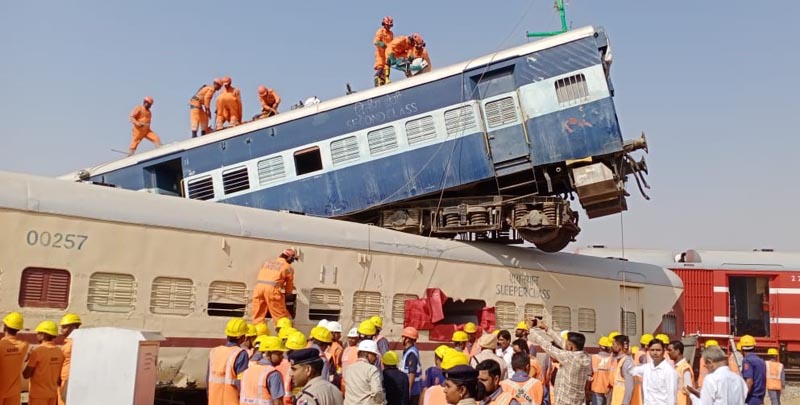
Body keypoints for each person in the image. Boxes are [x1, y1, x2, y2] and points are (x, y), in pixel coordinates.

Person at [527, 321, 591, 405]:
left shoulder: (570, 358)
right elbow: (562, 343)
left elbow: (547, 346)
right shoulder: (585, 357)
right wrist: (547, 329)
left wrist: (531, 330)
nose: (564, 343)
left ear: (570, 347)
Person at [208, 318, 250, 405]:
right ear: (242, 337)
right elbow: (241, 383)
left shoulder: (214, 351)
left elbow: (208, 379)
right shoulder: (241, 353)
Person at [24, 321, 65, 405]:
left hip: (38, 396)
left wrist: (28, 358)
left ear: (43, 335)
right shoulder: (59, 352)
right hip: (52, 394)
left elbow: (26, 374)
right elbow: (59, 379)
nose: (37, 334)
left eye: (38, 332)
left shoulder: (38, 351)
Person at [253, 249, 297, 324]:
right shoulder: (288, 267)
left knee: (258, 314)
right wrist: (288, 294)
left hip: (258, 289)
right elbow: (289, 284)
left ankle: (258, 331)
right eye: (293, 260)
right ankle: (284, 332)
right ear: (289, 257)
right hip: (272, 290)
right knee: (280, 315)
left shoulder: (267, 263)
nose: (292, 262)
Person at [240, 336, 286, 405]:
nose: (282, 357)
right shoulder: (273, 374)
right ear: (268, 353)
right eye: (279, 354)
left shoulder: (247, 371)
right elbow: (278, 402)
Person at [630, 339, 678, 405]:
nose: (655, 353)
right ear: (648, 351)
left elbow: (672, 397)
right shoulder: (647, 368)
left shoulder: (669, 371)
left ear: (664, 351)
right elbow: (630, 371)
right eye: (652, 350)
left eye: (658, 350)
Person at [0, 312, 29, 405]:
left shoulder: (1, 346)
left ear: (4, 327)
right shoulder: (24, 346)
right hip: (14, 392)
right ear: (18, 329)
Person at [343, 340, 384, 405]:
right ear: (369, 354)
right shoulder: (371, 369)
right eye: (374, 355)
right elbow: (377, 391)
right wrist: (381, 402)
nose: (375, 358)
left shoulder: (348, 369)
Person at [609, 334, 640, 405]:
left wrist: (625, 402)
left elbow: (630, 385)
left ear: (619, 346)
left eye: (613, 344)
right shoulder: (620, 360)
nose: (612, 346)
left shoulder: (627, 362)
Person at [58, 313, 81, 405]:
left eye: (65, 327)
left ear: (74, 327)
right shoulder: (68, 342)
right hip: (65, 378)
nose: (61, 330)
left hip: (68, 379)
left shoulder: (74, 343)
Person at [739, 335, 766, 405]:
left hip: (752, 398)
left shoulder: (747, 360)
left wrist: (742, 397)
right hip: (760, 397)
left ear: (742, 348)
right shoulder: (761, 360)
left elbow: (749, 382)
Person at [401, 327, 424, 405]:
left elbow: (412, 373)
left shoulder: (411, 353)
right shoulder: (410, 351)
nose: (402, 339)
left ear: (407, 339)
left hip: (413, 391)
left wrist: (409, 391)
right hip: (412, 390)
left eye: (403, 337)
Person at [666, 341, 694, 405]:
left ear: (677, 351)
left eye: (670, 350)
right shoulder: (677, 367)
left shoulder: (685, 368)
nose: (668, 352)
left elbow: (689, 390)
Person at [590, 336, 613, 405]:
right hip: (609, 389)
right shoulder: (612, 359)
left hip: (596, 388)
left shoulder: (593, 358)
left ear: (599, 346)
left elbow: (589, 376)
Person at [373, 16, 394, 87]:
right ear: (384, 24)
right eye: (387, 25)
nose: (388, 27)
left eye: (390, 25)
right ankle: (377, 79)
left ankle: (384, 81)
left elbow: (392, 43)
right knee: (380, 67)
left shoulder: (391, 34)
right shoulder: (380, 31)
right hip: (380, 54)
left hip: (387, 54)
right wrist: (381, 44)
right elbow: (375, 41)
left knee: (387, 67)